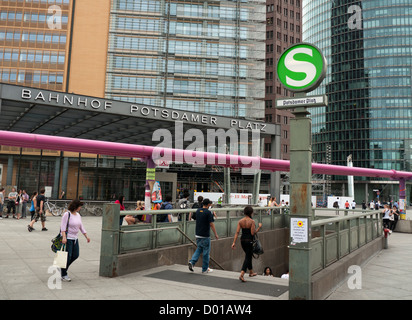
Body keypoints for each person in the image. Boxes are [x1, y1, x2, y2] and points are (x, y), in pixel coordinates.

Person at [60, 199, 90, 282]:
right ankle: (64, 274)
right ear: (75, 206)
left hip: (75, 238)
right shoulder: (67, 214)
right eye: (79, 206)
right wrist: (64, 237)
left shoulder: (78, 215)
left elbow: (81, 226)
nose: (80, 208)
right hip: (68, 238)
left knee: (75, 255)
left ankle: (62, 268)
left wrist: (86, 236)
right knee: (68, 256)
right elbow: (62, 227)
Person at [231, 206, 262, 282]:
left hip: (242, 240)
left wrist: (234, 242)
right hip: (249, 241)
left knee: (248, 255)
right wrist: (259, 228)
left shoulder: (240, 221)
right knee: (248, 257)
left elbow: (237, 232)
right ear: (251, 213)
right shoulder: (252, 221)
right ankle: (242, 274)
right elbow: (252, 233)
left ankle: (251, 272)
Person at [188, 198, 219, 274]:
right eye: (210, 204)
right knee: (206, 252)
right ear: (208, 204)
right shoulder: (208, 213)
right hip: (205, 235)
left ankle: (192, 262)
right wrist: (215, 234)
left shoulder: (198, 211)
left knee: (199, 249)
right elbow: (211, 224)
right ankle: (205, 269)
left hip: (198, 234)